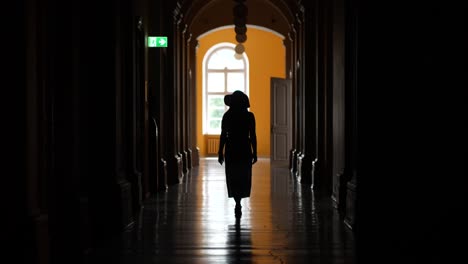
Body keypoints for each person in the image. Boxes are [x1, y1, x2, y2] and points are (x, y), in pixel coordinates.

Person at [218, 90, 257, 217]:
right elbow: (253, 136)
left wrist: (220, 152)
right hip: (245, 148)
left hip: (231, 148)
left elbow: (223, 135)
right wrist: (255, 151)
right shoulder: (249, 116)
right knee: (243, 175)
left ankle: (237, 201)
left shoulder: (227, 116)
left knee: (233, 175)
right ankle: (239, 201)